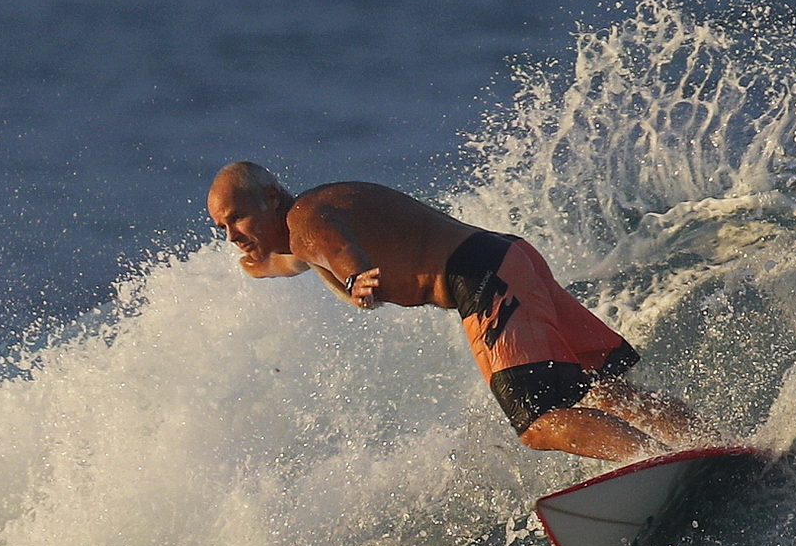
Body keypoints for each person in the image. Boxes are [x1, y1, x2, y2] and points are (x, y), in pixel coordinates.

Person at [207, 161, 718, 462]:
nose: (233, 236)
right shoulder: (306, 220)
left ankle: (659, 464)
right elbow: (289, 261)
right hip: (508, 258)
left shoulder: (307, 222)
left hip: (482, 277)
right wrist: (255, 263)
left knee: (539, 422)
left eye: (238, 219)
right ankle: (711, 445)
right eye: (222, 229)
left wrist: (357, 276)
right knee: (600, 389)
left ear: (271, 197)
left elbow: (340, 253)